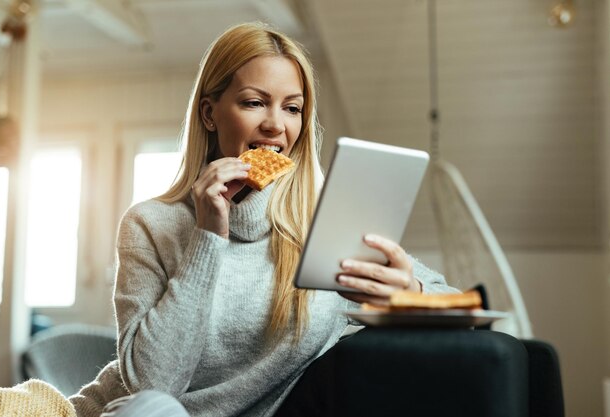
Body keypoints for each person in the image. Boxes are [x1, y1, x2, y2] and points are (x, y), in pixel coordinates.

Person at [69, 21, 459, 417]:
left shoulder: (322, 226)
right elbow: (154, 385)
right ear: (209, 113)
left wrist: (408, 290)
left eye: (292, 108)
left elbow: (460, 310)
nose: (276, 125)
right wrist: (208, 235)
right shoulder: (149, 225)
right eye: (254, 102)